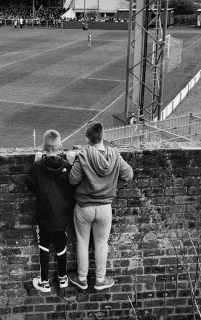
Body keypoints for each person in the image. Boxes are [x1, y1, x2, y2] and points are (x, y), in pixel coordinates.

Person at [68, 122, 134, 291]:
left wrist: (72, 162)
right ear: (103, 135)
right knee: (101, 244)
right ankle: (100, 279)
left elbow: (73, 180)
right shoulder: (114, 154)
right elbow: (128, 175)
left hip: (84, 207)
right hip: (104, 207)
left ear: (87, 138)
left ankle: (82, 278)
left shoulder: (83, 154)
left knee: (82, 242)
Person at [25, 130, 75, 293]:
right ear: (61, 147)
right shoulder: (67, 166)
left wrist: (35, 162)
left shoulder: (38, 166)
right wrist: (72, 165)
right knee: (61, 245)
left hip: (44, 213)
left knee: (44, 246)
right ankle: (62, 278)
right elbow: (73, 186)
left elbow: (30, 186)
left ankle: (44, 281)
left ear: (43, 147)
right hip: (61, 213)